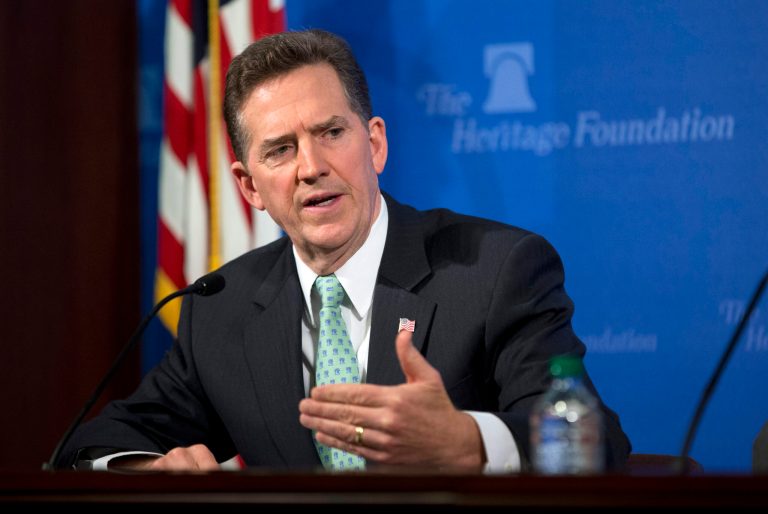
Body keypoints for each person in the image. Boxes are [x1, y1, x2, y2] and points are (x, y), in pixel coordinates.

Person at [56, 29, 630, 472]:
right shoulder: (220, 309)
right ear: (249, 186)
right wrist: (149, 466)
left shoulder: (494, 272)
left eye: (331, 133)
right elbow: (94, 443)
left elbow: (597, 439)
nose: (312, 168)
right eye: (280, 150)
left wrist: (469, 442)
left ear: (374, 143)